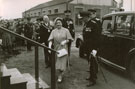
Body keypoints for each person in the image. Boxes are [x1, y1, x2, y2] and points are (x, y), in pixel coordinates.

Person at [79, 10, 101, 87]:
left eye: (83, 18)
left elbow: (97, 38)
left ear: (87, 17)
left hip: (93, 48)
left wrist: (95, 49)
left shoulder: (94, 24)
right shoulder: (86, 24)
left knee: (93, 64)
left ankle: (93, 80)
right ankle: (91, 76)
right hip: (87, 47)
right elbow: (86, 35)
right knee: (90, 62)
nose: (82, 19)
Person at [48, 18, 73, 83]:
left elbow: (69, 39)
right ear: (55, 24)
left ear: (62, 23)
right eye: (57, 23)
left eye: (59, 22)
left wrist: (65, 41)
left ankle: (60, 76)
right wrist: (49, 46)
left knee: (62, 62)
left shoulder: (66, 30)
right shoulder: (53, 31)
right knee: (57, 62)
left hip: (64, 49)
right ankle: (60, 73)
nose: (58, 24)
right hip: (56, 49)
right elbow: (50, 39)